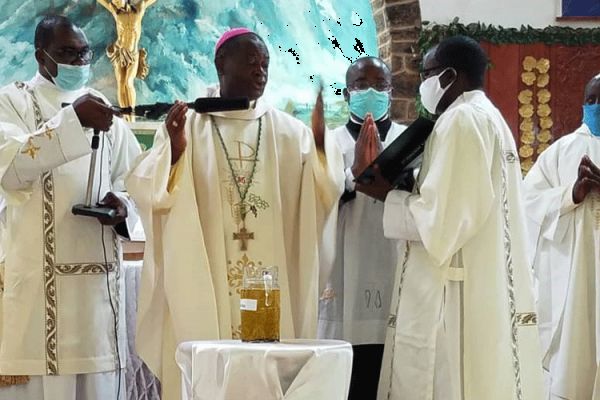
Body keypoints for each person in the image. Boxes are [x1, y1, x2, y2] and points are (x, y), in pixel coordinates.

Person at [126, 27, 344, 399]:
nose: (261, 71)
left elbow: (323, 191)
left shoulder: (289, 133)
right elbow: (149, 189)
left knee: (262, 367)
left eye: (265, 64)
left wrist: (322, 148)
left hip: (267, 282)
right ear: (220, 64)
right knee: (211, 364)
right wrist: (176, 154)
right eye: (251, 62)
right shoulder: (187, 125)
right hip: (208, 278)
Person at [357, 35, 544, 399]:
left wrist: (386, 194)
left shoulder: (460, 121)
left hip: (454, 291)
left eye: (426, 73)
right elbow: (460, 202)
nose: (422, 84)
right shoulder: (488, 116)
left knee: (449, 382)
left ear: (449, 76)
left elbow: (441, 224)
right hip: (476, 278)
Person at [0, 15, 141, 400]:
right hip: (37, 289)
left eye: (84, 54)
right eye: (67, 54)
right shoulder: (11, 102)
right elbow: (9, 171)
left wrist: (124, 206)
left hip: (96, 294)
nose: (78, 63)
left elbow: (135, 179)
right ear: (40, 55)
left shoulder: (103, 109)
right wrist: (71, 121)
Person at [317, 56, 405, 399]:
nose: (371, 92)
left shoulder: (408, 139)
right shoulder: (326, 144)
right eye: (361, 85)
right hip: (342, 269)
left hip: (392, 261)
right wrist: (352, 177)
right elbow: (314, 201)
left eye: (380, 86)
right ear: (346, 92)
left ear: (391, 92)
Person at [523, 74, 600, 399]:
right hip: (575, 280)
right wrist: (572, 194)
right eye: (591, 99)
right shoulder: (560, 152)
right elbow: (528, 206)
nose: (596, 106)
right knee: (574, 364)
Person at [97, 0, 156, 120]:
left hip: (133, 53)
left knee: (129, 82)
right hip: (119, 51)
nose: (116, 2)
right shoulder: (116, 12)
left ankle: (132, 115)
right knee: (121, 84)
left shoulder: (139, 10)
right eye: (114, 1)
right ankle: (125, 115)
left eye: (118, 0)